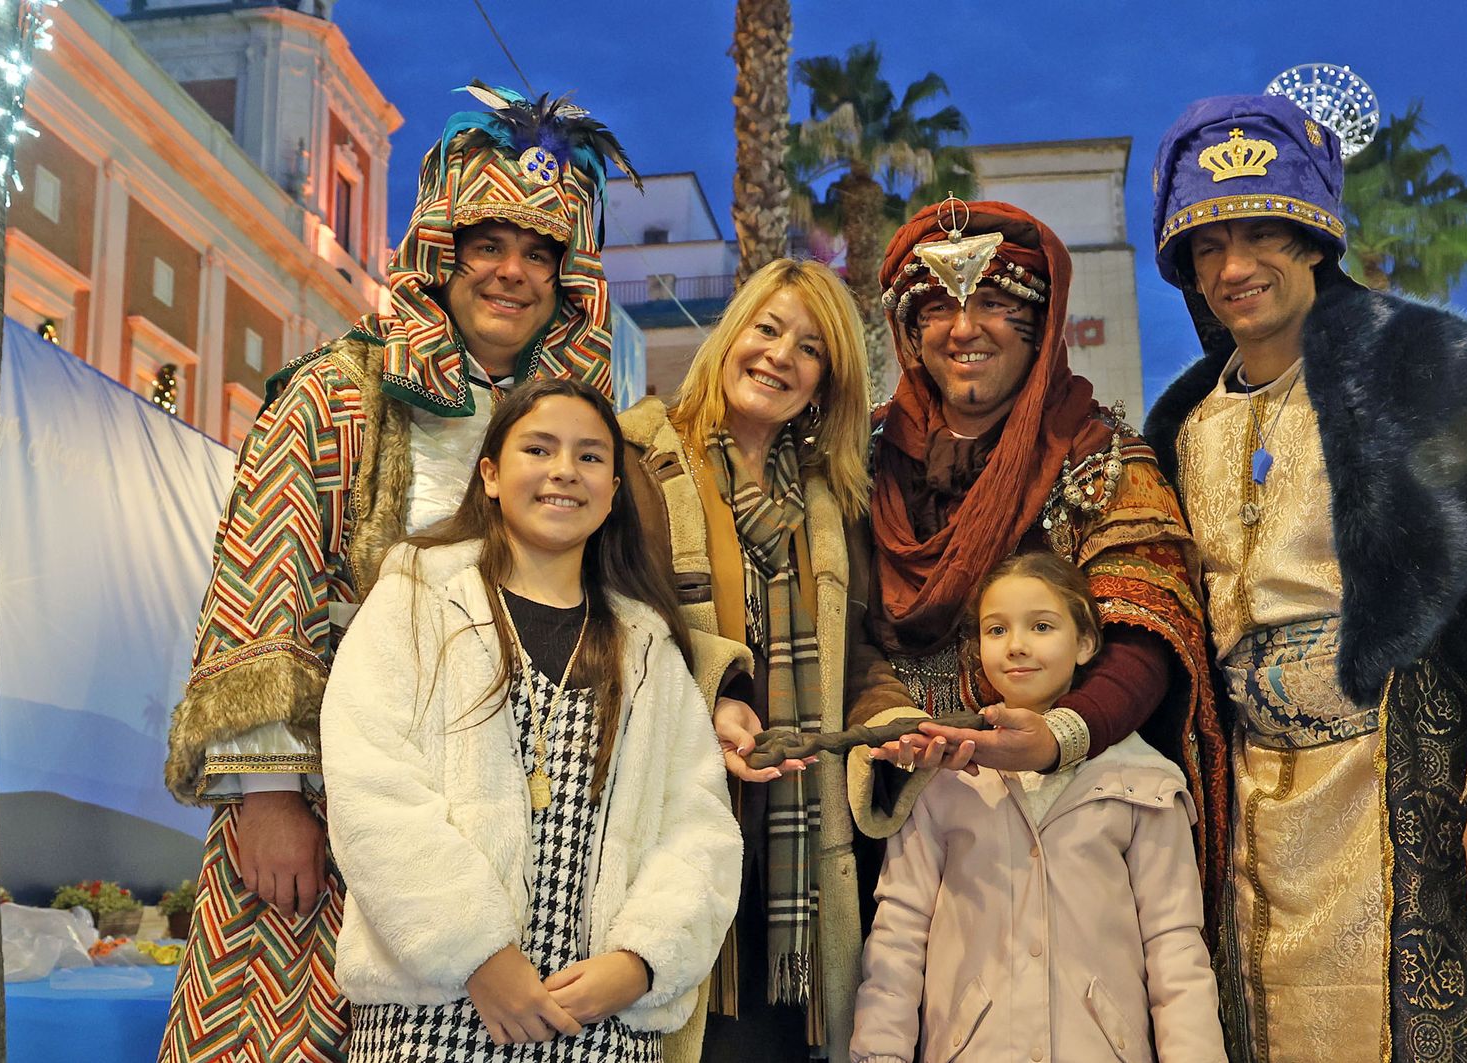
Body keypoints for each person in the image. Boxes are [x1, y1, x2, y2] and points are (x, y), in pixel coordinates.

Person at [158, 83, 637, 1062]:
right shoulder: (341, 392)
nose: (512, 272)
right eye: (487, 244)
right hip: (328, 810)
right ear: (441, 252)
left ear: (568, 272)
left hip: (494, 838)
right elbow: (263, 588)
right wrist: (271, 798)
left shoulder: (568, 435)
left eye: (538, 251)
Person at [1143, 94, 1467, 1062]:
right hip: (1249, 808)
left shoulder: (1424, 370)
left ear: (1312, 240)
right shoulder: (1180, 427)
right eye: (1208, 244)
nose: (1233, 267)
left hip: (1409, 790)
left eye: (1261, 233)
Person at [320, 376, 741, 1060]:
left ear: (612, 490)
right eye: (539, 448)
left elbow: (699, 830)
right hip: (438, 1015)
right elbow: (371, 786)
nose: (564, 471)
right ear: (490, 472)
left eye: (590, 456)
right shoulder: (415, 600)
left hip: (600, 1026)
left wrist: (638, 961)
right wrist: (477, 952)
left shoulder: (647, 648)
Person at [842, 200, 1225, 924]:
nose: (963, 328)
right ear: (908, 329)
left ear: (1042, 323)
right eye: (937, 307)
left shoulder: (1101, 457)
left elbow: (1151, 627)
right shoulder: (856, 463)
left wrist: (1059, 736)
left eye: (993, 302)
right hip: (881, 821)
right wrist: (884, 718)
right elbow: (833, 629)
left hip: (1059, 824)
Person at [618, 258, 874, 1060]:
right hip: (672, 827)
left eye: (810, 347)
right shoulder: (638, 454)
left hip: (792, 859)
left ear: (826, 383)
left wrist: (889, 715)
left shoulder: (830, 499)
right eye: (767, 328)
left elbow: (858, 654)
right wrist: (712, 689)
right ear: (731, 334)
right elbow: (610, 613)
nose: (780, 355)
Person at [850, 551, 1226, 1062]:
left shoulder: (1145, 782)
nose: (1017, 646)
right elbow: (899, 930)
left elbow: (1175, 947)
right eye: (997, 630)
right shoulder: (945, 778)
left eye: (1042, 626)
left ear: (1086, 642)